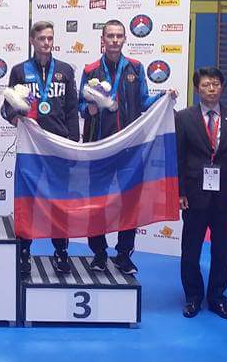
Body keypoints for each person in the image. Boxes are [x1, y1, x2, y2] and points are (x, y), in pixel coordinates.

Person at [79, 20, 176, 274]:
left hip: (129, 148)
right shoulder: (90, 70)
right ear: (102, 39)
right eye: (110, 36)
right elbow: (79, 105)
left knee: (129, 202)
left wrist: (164, 96)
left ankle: (124, 254)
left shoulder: (136, 67)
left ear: (125, 39)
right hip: (99, 147)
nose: (114, 40)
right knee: (97, 202)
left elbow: (143, 101)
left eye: (119, 36)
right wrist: (89, 108)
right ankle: (99, 254)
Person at [1, 21, 79, 276]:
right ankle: (24, 252)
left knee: (59, 202)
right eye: (42, 38)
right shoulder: (19, 71)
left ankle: (61, 252)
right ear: (32, 41)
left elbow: (71, 110)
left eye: (50, 38)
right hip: (30, 147)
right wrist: (13, 117)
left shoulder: (65, 71)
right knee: (29, 201)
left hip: (58, 145)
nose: (47, 43)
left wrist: (73, 144)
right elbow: (7, 106)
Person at [175, 66, 227, 321]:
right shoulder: (184, 118)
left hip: (224, 194)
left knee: (221, 250)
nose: (211, 89)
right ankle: (193, 297)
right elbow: (179, 157)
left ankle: (217, 298)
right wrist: (180, 192)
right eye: (206, 85)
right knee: (191, 250)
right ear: (197, 89)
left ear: (222, 87)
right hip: (194, 194)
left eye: (216, 84)